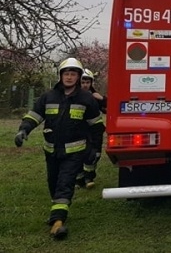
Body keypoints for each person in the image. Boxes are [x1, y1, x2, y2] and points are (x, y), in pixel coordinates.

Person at [14, 57, 105, 240]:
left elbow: (96, 126)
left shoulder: (86, 99)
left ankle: (58, 222)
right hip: (51, 152)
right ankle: (57, 210)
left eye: (73, 74)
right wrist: (23, 130)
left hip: (74, 153)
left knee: (65, 183)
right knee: (53, 183)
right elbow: (34, 116)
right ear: (61, 76)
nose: (69, 77)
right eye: (66, 74)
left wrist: (95, 149)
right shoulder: (48, 97)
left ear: (78, 77)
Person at [75, 68, 107, 189]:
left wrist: (102, 99)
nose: (85, 85)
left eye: (88, 82)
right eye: (83, 82)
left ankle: (89, 177)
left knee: (94, 154)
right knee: (77, 154)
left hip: (95, 131)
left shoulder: (95, 96)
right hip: (78, 130)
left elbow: (108, 108)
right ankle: (79, 179)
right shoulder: (73, 96)